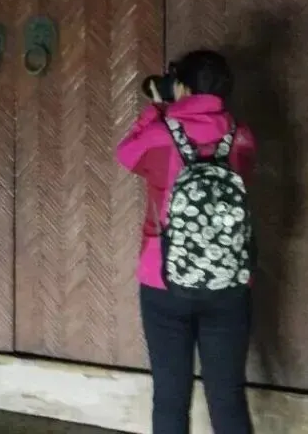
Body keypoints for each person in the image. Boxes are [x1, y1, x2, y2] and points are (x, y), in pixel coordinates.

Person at [115, 49, 256, 434]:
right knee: (228, 396)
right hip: (230, 279)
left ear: (183, 87)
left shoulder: (159, 135)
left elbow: (126, 154)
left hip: (163, 279)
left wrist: (158, 110)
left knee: (170, 396)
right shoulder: (241, 136)